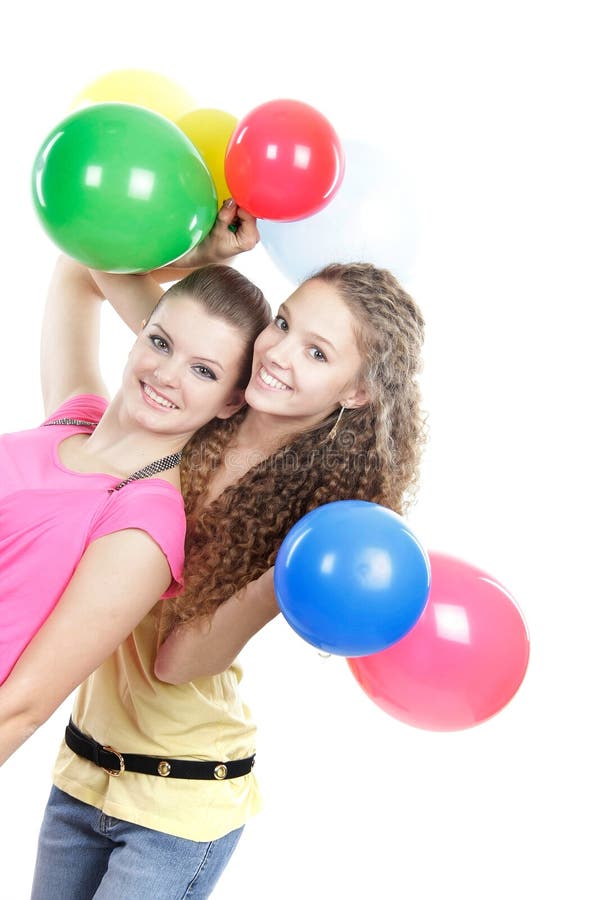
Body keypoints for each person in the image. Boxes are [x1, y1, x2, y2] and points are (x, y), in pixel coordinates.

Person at [29, 205, 427, 899]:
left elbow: (180, 662)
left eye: (317, 353)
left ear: (358, 392)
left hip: (178, 803)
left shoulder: (310, 519)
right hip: (82, 768)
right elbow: (93, 263)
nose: (275, 353)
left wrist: (287, 573)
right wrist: (200, 251)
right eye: (283, 324)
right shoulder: (200, 396)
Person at [0, 203, 270, 764]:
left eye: (204, 371)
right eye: (162, 342)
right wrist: (194, 258)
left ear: (230, 402)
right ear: (138, 331)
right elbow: (78, 267)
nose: (167, 375)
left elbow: (20, 707)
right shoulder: (70, 418)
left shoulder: (145, 518)